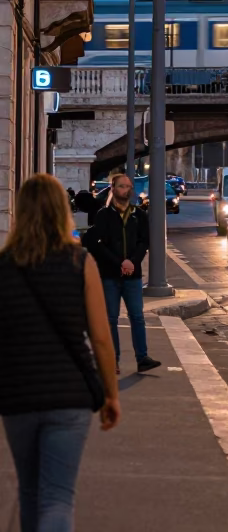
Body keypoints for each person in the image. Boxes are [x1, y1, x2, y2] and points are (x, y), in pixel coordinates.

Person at [0, 174, 120, 532]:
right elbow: (100, 337)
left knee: (30, 490)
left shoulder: (4, 266)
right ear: (61, 212)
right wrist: (111, 394)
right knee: (57, 497)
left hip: (17, 394)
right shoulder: (80, 262)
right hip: (69, 396)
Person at [84, 173, 161, 374]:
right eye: (121, 186)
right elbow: (96, 243)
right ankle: (112, 360)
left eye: (128, 186)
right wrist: (120, 262)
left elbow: (144, 242)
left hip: (132, 276)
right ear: (113, 189)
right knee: (111, 318)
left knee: (137, 317)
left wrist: (132, 262)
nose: (125, 190)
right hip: (110, 275)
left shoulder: (139, 215)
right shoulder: (103, 215)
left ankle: (142, 358)